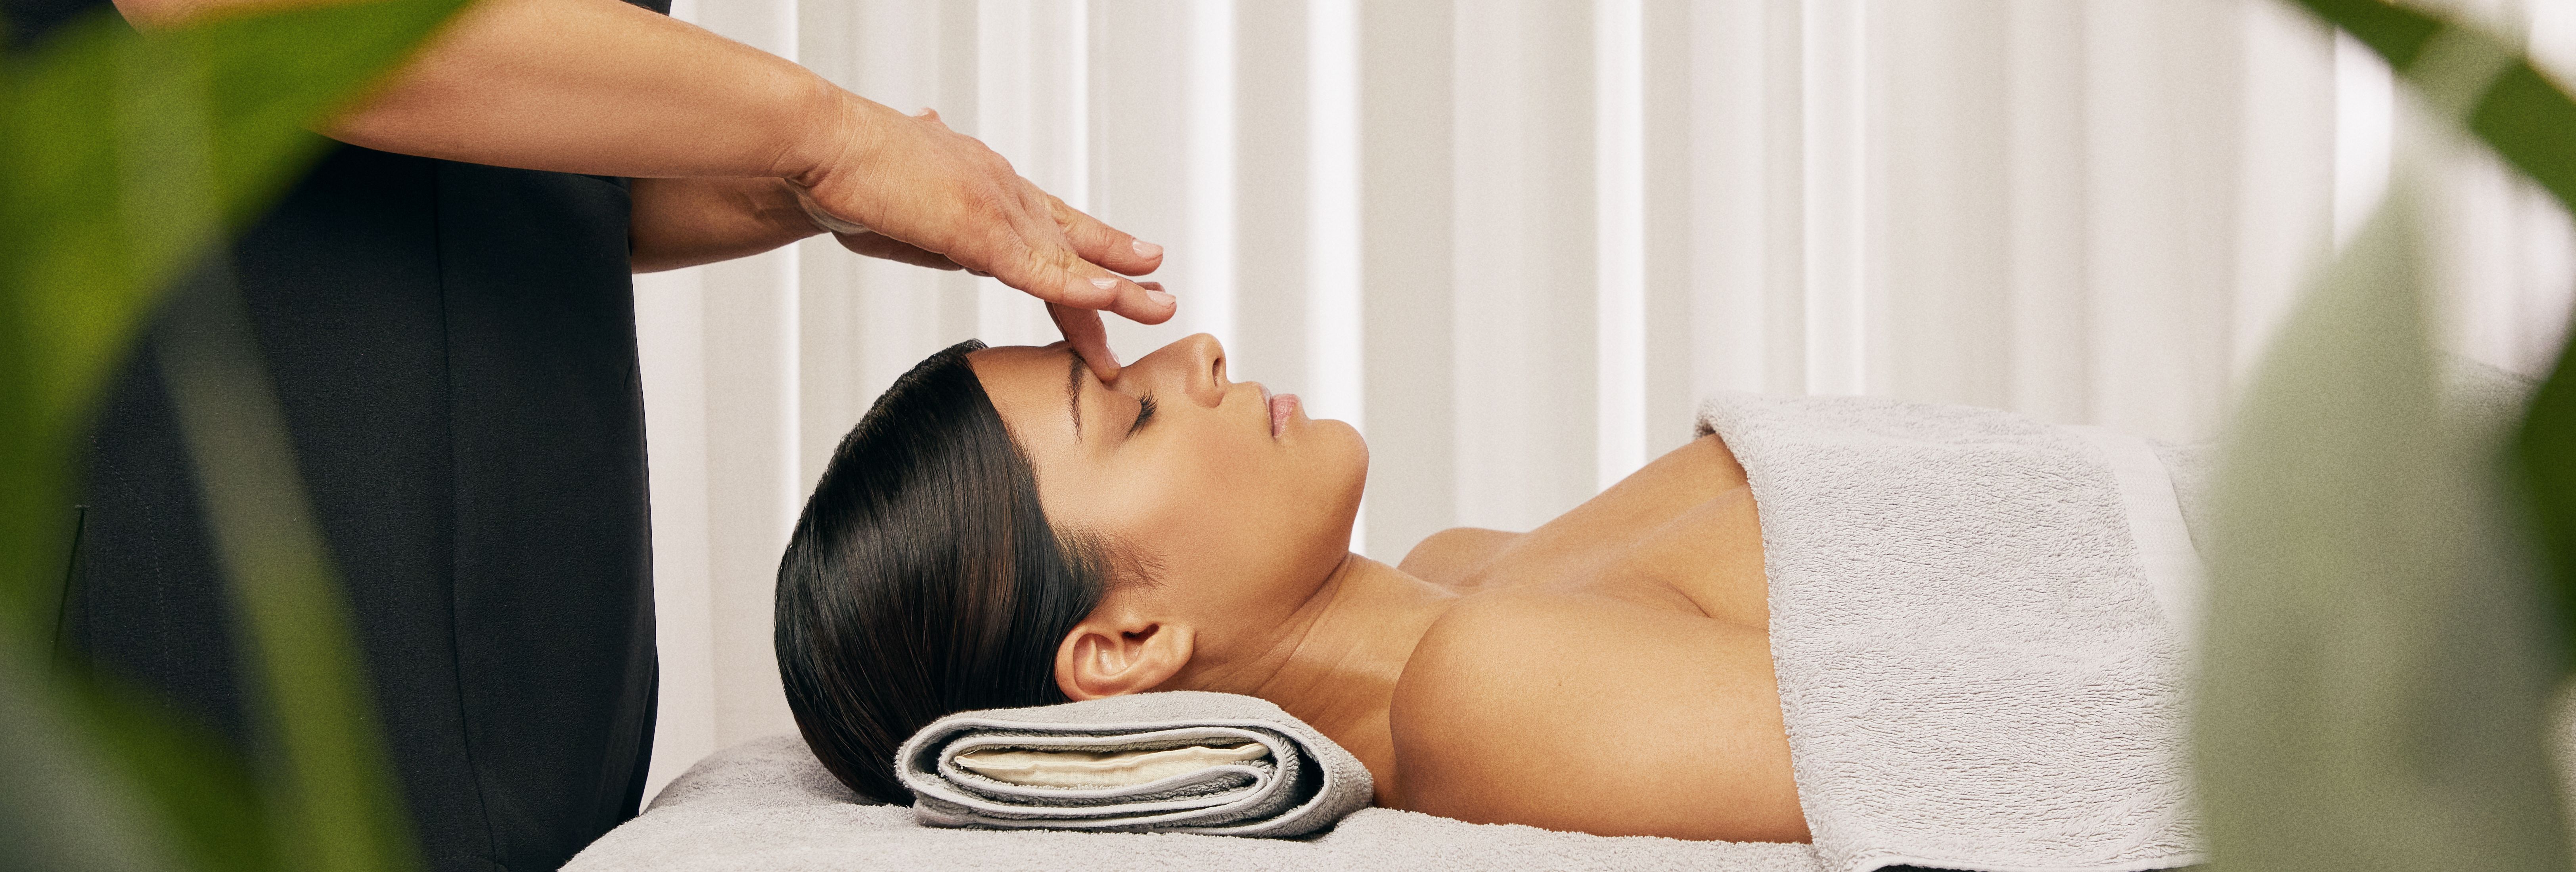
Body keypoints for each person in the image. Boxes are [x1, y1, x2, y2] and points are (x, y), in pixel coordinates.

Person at [27, 0, 1172, 868]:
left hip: (536, 658)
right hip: (222, 556)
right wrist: (826, 135)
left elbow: (542, 177)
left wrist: (807, 190)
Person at [774, 335, 1811, 843]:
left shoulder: (1453, 566)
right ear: (1127, 644)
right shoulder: (1487, 691)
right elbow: (1907, 741)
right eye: (1134, 414)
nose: (1198, 352)